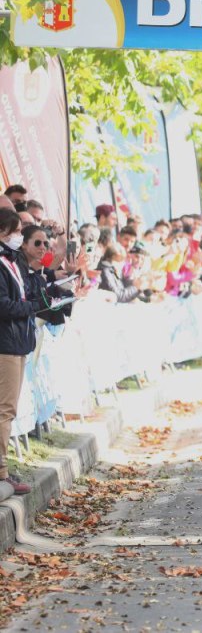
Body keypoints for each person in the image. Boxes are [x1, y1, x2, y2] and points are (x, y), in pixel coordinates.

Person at [0, 209, 46, 496]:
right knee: (5, 409)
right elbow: (4, 305)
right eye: (17, 231)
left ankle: (4, 470)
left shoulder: (11, 261)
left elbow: (23, 292)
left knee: (8, 409)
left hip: (17, 342)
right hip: (5, 343)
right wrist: (32, 307)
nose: (20, 235)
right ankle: (2, 472)